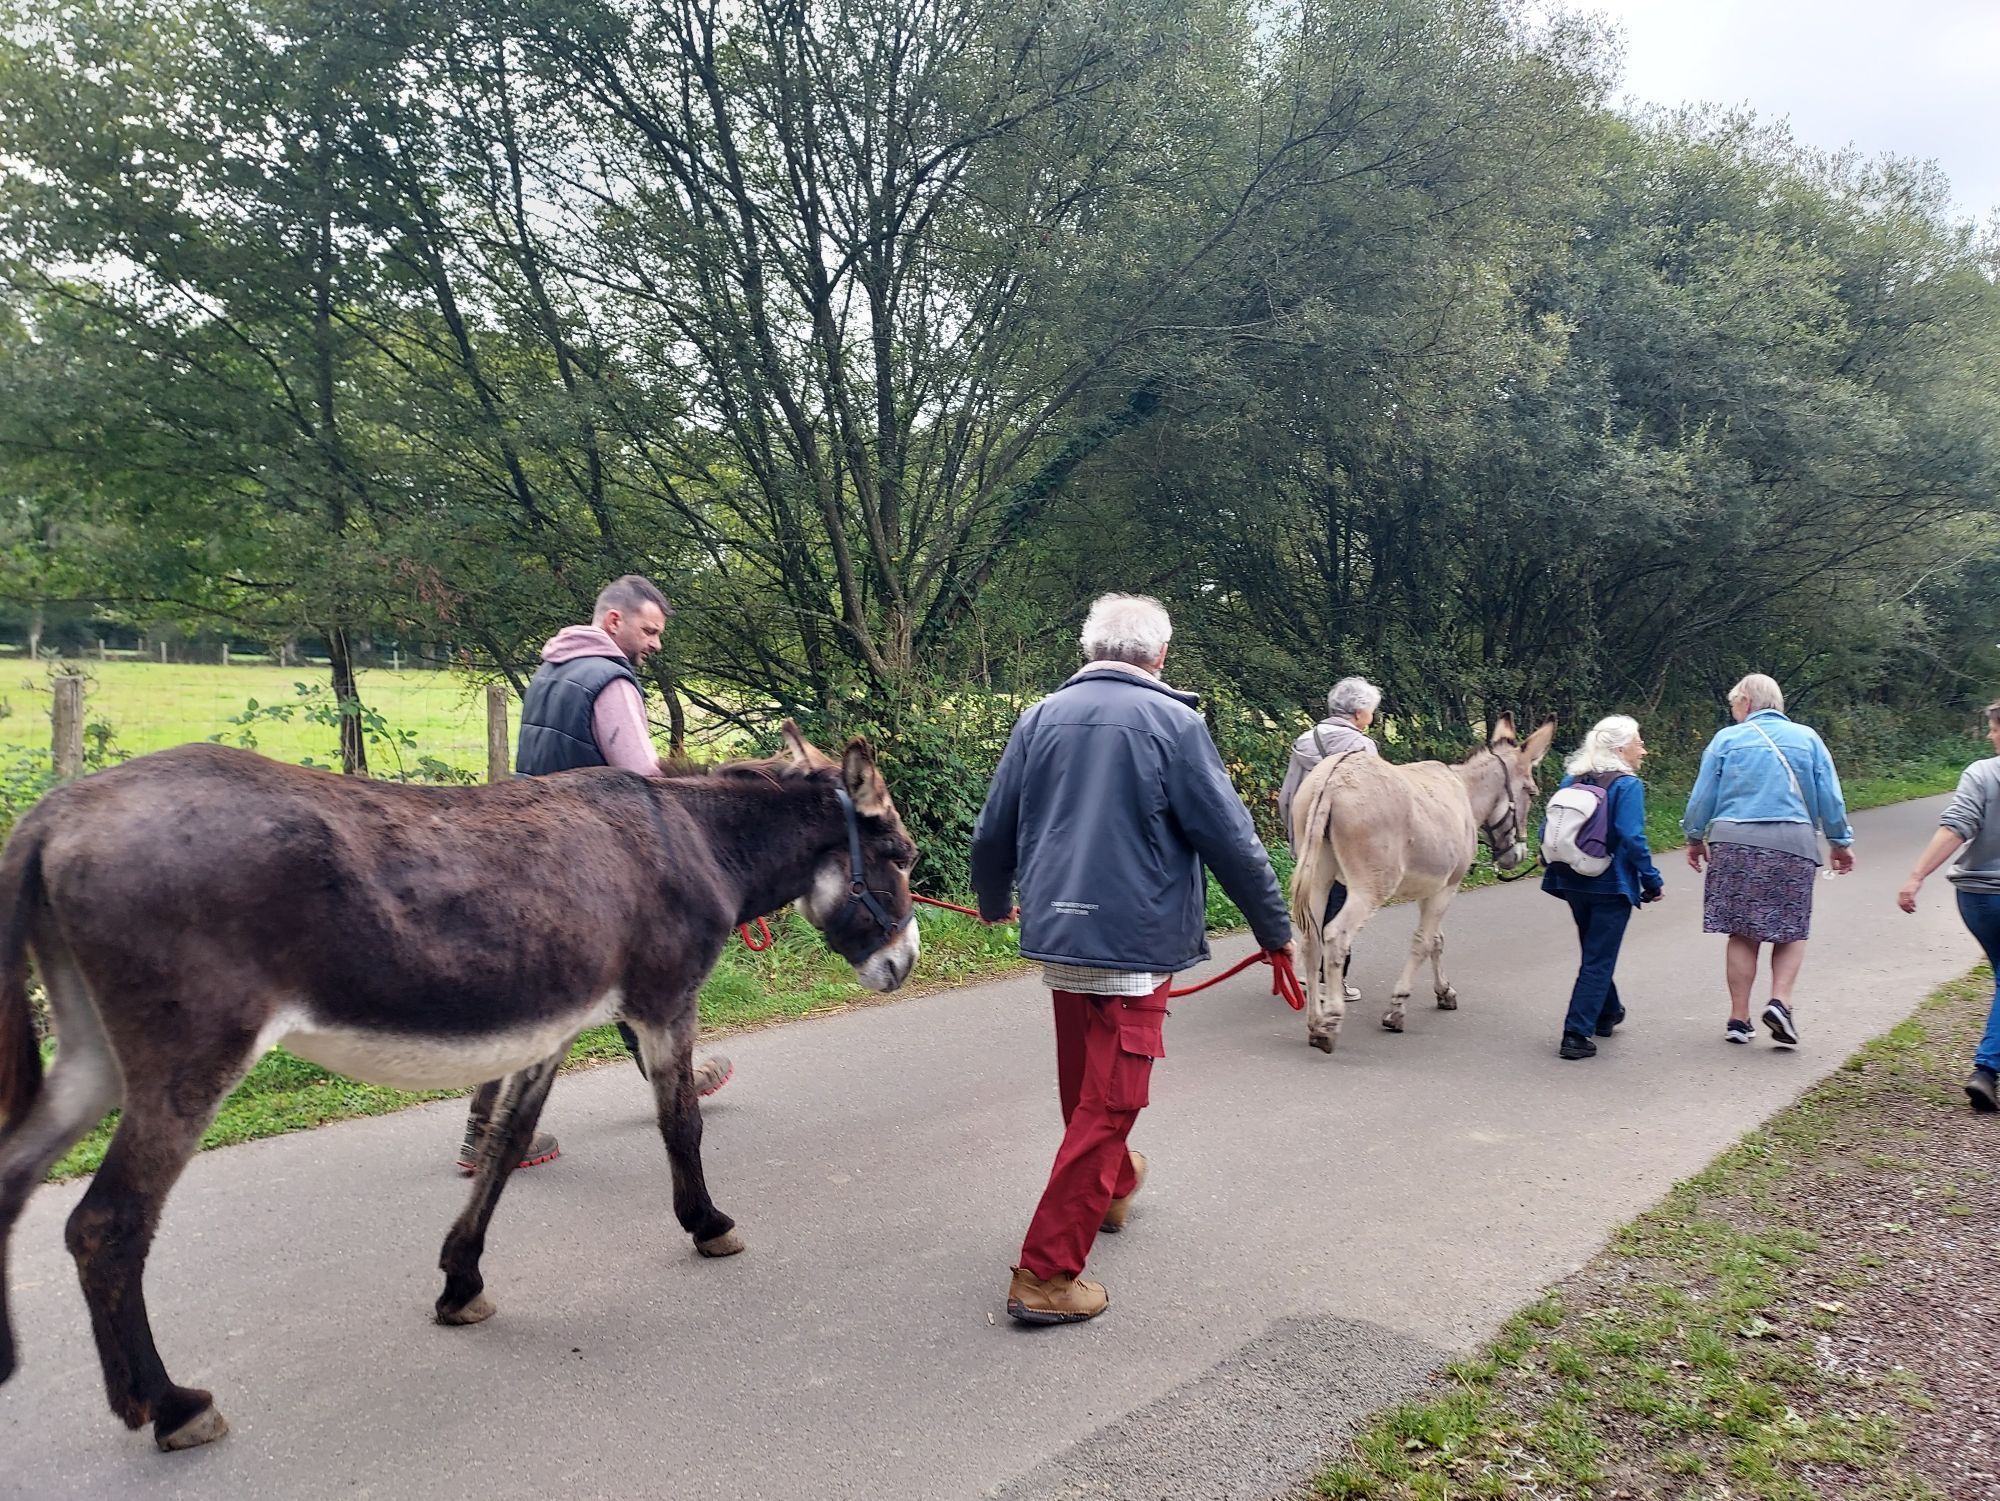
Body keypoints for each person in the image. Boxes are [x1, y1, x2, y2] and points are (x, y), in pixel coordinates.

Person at [971, 593, 1293, 1325]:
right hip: (1135, 946)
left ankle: (1111, 1185)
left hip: (1060, 935)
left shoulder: (1039, 717)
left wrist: (994, 902)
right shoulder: (1175, 723)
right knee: (1111, 1100)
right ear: (1159, 656)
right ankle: (1048, 1274)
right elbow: (1233, 840)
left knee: (1084, 1085)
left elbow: (993, 832)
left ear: (1089, 651)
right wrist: (1275, 931)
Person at [457, 575, 732, 1174]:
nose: (655, 644)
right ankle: (488, 1131)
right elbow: (641, 779)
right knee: (555, 994)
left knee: (625, 976)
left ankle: (675, 1075)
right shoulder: (610, 680)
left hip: (532, 846)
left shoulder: (551, 670)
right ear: (615, 622)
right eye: (649, 630)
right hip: (589, 862)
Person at [1681, 673, 1854, 1049]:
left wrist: (1695, 837)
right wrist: (1840, 842)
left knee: (1742, 931)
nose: (1734, 714)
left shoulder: (1726, 740)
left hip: (1733, 843)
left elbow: (1701, 797)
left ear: (1745, 701)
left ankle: (1738, 1019)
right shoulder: (1808, 739)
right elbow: (1830, 796)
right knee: (1790, 928)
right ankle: (1780, 1002)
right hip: (1791, 842)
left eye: (1734, 707)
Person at [1895, 701, 2000, 1112]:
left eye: (1994, 729)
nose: (1991, 737)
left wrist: (1917, 875)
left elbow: (1956, 828)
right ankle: (1986, 1070)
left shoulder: (1983, 773)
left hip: (1977, 898)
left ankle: (1989, 1070)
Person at [1539, 716, 1663, 1060]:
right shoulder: (1627, 785)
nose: (1644, 750)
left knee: (1594, 952)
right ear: (1620, 748)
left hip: (1572, 878)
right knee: (1598, 958)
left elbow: (1549, 825)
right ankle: (1575, 1034)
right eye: (1638, 743)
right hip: (1611, 882)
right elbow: (1632, 836)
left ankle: (1608, 1013)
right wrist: (1651, 880)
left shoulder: (1573, 779)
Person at [1276, 677, 1381, 999]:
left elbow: (1287, 796)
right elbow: (1374, 803)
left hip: (1308, 837)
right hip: (1345, 843)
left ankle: (1309, 972)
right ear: (1360, 712)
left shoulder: (1306, 740)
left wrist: (1296, 835)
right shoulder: (1361, 746)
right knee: (1342, 905)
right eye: (1372, 710)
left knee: (1313, 901)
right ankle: (1331, 978)